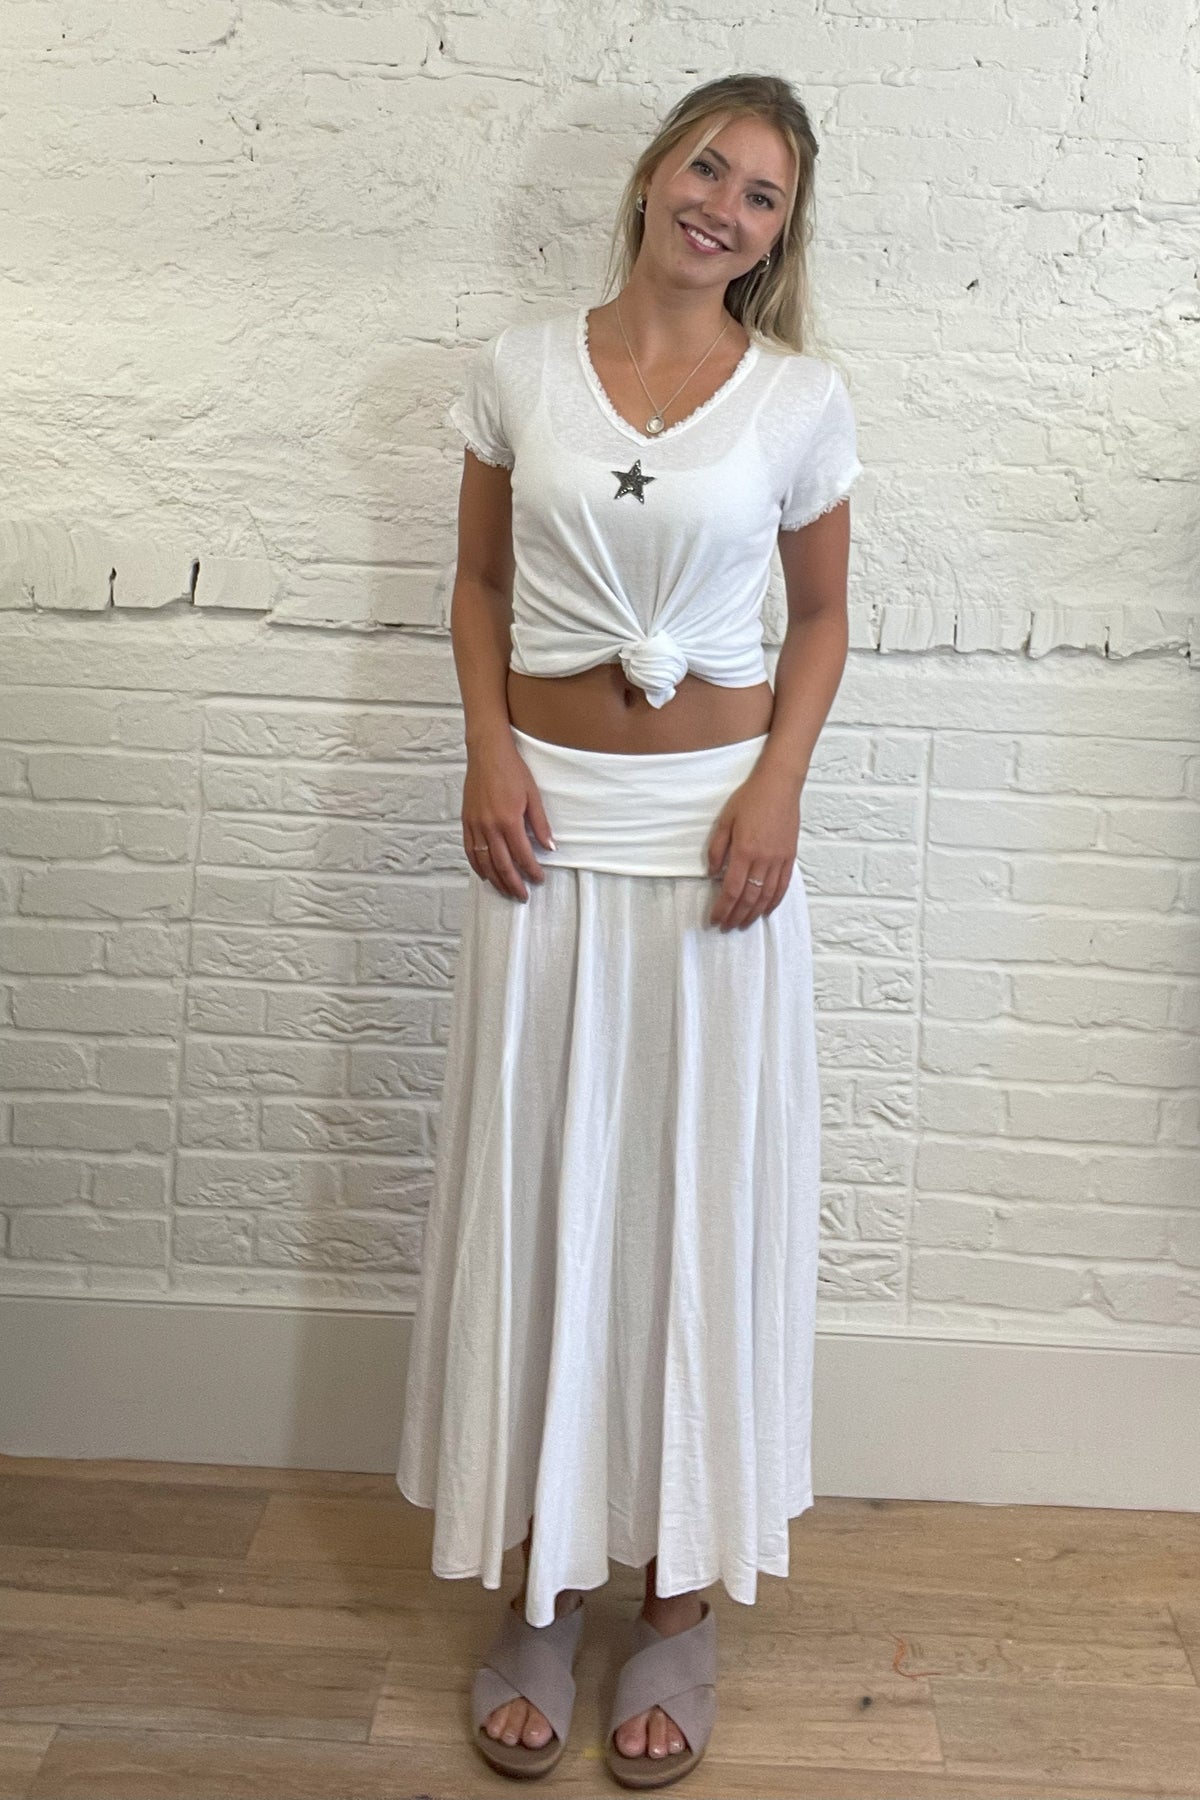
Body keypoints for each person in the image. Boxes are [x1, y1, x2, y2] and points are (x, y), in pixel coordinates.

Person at [396, 72, 863, 1790]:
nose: (723, 205)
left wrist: (779, 788)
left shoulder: (801, 399)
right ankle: (544, 1575)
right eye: (707, 167)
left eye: (762, 193)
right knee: (545, 1191)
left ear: (779, 235)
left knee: (692, 1196)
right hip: (544, 826)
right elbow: (476, 586)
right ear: (656, 174)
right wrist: (486, 750)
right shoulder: (521, 369)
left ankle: (676, 1593)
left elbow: (821, 619)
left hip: (718, 837)